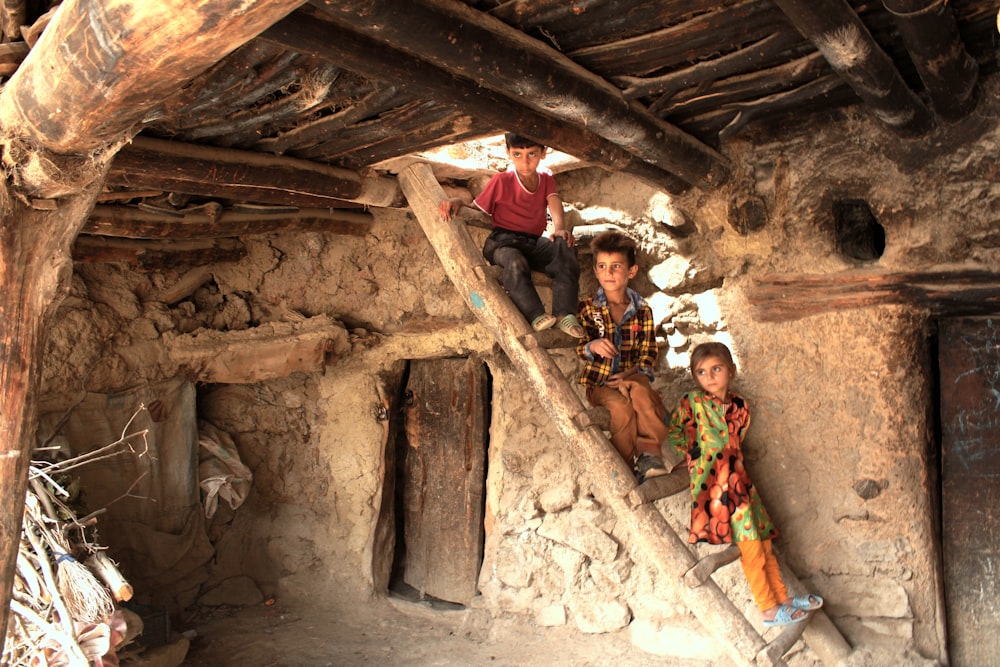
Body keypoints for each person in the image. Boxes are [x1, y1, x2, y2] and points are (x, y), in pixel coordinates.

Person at [666, 341, 824, 627]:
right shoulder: (693, 402)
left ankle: (783, 599)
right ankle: (767, 608)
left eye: (716, 369)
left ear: (731, 370)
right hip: (716, 485)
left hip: (740, 480)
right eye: (701, 372)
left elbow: (738, 439)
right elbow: (676, 430)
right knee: (751, 545)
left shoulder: (739, 406)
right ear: (694, 378)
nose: (709, 376)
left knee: (763, 540)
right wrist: (692, 458)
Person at [438, 133, 584, 338]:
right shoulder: (501, 181)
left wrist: (559, 228)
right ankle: (535, 315)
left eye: (532, 154)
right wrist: (457, 200)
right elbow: (477, 208)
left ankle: (564, 315)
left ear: (544, 152)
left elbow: (553, 200)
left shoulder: (546, 179)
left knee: (566, 247)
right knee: (515, 263)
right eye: (517, 154)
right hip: (502, 242)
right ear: (508, 153)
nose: (525, 162)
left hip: (532, 242)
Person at [576, 230, 670, 483]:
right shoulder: (588, 308)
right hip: (601, 384)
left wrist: (632, 373)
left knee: (642, 393)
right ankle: (624, 467)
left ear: (631, 271)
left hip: (632, 377)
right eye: (602, 266)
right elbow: (580, 344)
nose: (608, 273)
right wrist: (593, 346)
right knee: (622, 408)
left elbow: (649, 351)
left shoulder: (642, 311)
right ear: (595, 271)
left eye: (616, 266)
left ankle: (650, 454)